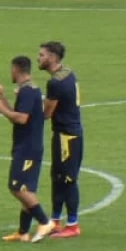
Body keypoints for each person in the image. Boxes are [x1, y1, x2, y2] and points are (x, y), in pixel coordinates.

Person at [0, 56, 58, 243]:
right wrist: (2, 98)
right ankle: (23, 232)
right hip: (27, 145)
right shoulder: (27, 89)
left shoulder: (28, 91)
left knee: (17, 187)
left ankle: (45, 222)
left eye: (11, 69)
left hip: (28, 148)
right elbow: (17, 115)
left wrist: (0, 109)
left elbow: (21, 119)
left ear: (16, 69)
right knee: (26, 188)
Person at [40, 41, 84, 239]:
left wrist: (28, 103)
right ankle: (55, 221)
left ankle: (73, 224)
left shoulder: (55, 82)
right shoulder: (67, 72)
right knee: (57, 177)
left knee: (67, 179)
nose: (39, 58)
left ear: (53, 58)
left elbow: (46, 113)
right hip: (66, 133)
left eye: (42, 55)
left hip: (67, 136)